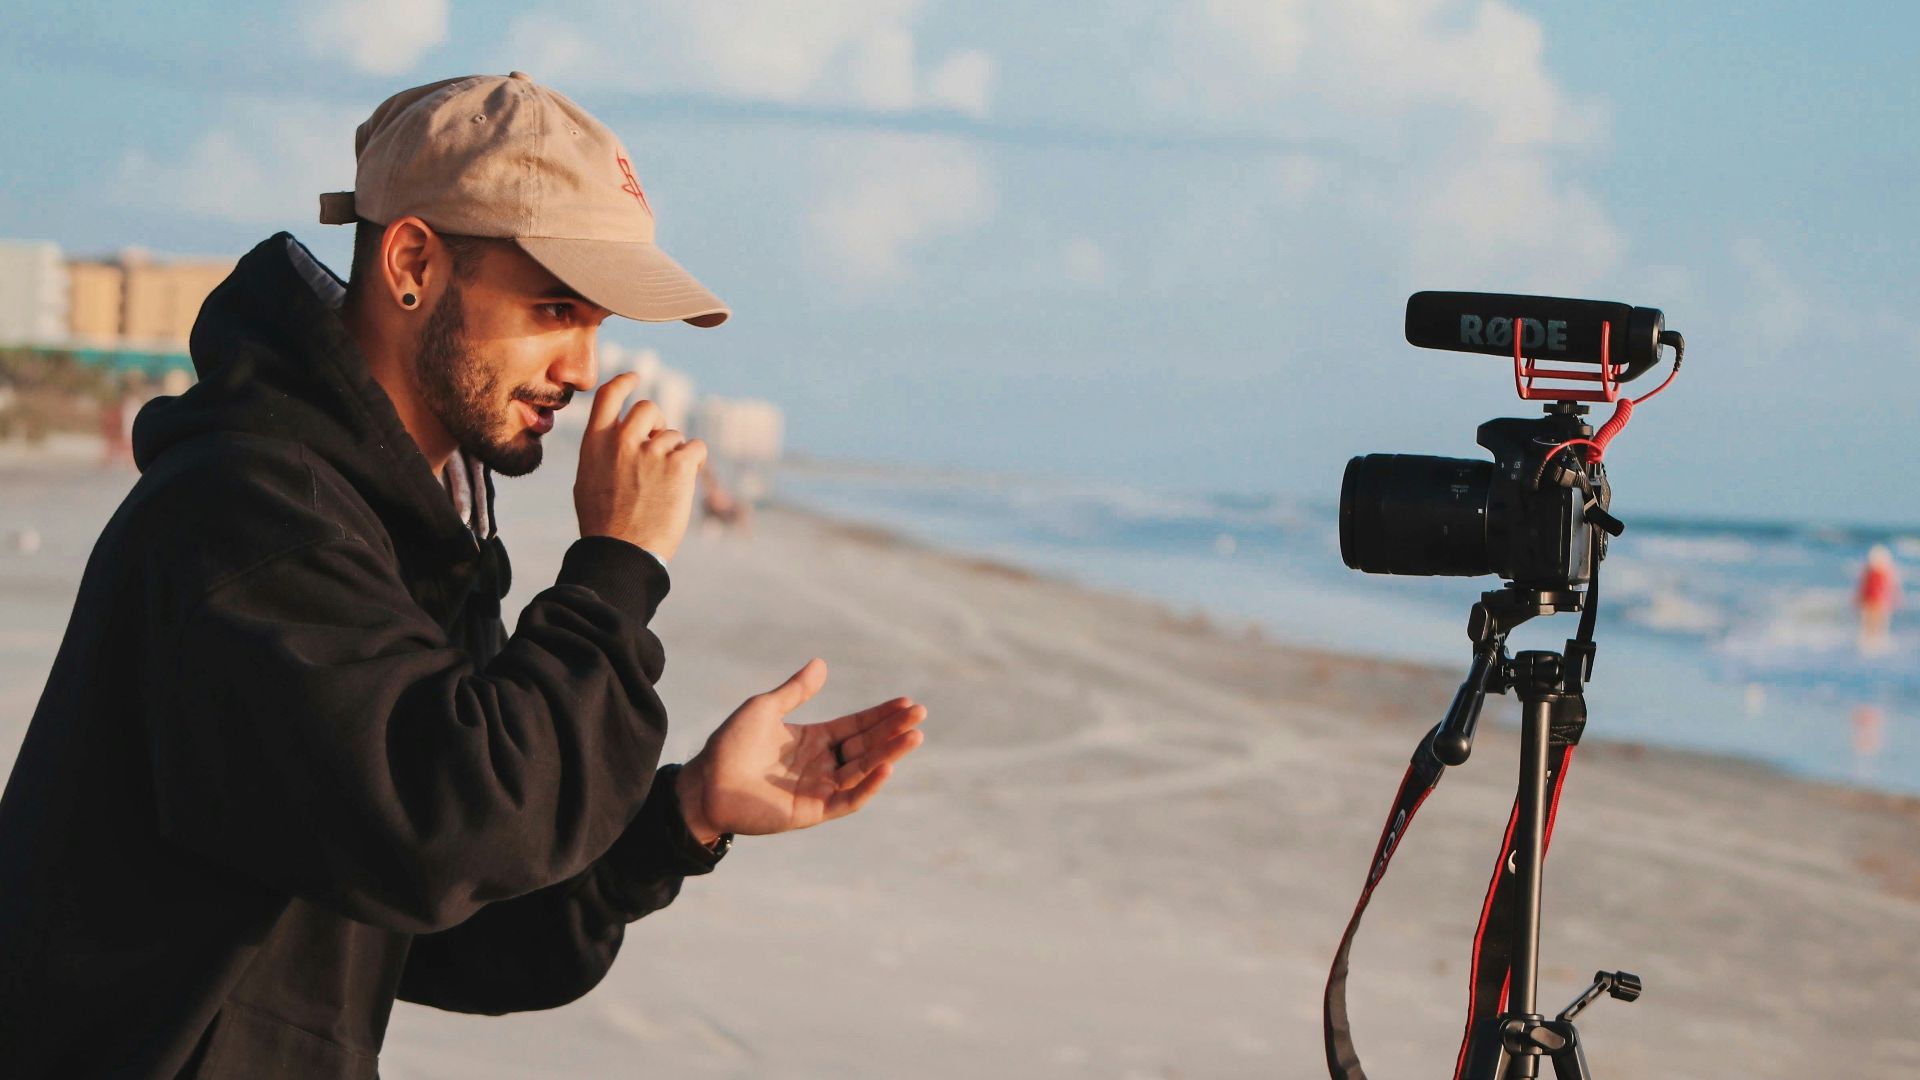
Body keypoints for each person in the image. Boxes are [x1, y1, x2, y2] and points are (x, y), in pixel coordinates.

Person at [0, 72, 925, 1078]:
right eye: (554, 306)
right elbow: (443, 837)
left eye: (599, 322)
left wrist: (684, 815)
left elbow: (453, 926)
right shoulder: (251, 515)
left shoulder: (408, 535)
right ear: (410, 263)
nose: (584, 365)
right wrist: (614, 571)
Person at [1856, 543, 1902, 655]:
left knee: (1877, 620)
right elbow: (1863, 586)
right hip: (1874, 599)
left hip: (1879, 599)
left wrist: (1896, 598)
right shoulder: (1872, 571)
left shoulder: (1883, 571)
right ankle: (1871, 639)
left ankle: (1876, 639)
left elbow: (1892, 587)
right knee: (1871, 619)